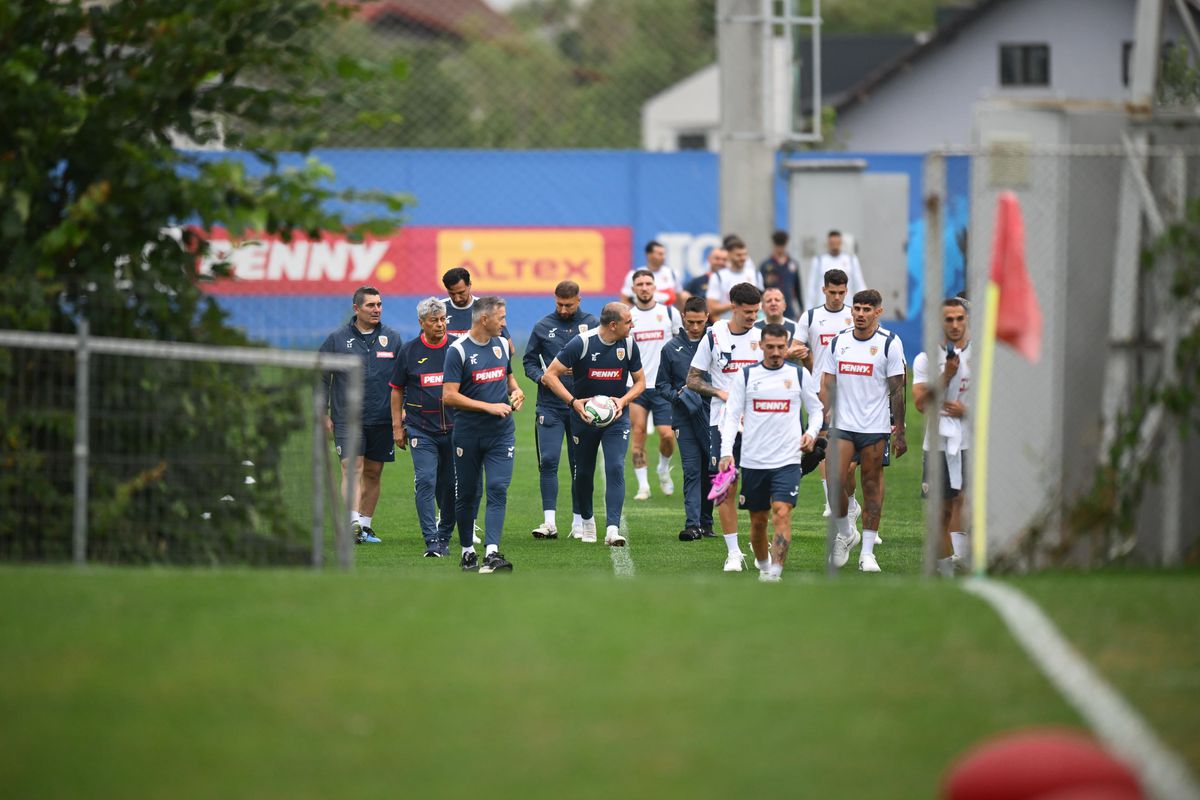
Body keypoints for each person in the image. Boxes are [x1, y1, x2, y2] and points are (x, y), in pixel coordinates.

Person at [719, 323, 823, 582]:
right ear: (761, 346)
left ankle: (775, 572)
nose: (776, 352)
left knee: (782, 511)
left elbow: (817, 409)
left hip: (787, 460)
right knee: (758, 522)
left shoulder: (799, 376)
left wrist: (810, 434)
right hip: (754, 460)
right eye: (771, 347)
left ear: (786, 346)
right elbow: (731, 417)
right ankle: (764, 564)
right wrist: (725, 452)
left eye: (781, 347)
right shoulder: (745, 376)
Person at [541, 303, 646, 547]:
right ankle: (587, 522)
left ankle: (612, 529)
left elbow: (640, 381)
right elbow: (549, 375)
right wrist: (573, 402)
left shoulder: (629, 345)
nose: (632, 325)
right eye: (628, 322)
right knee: (584, 472)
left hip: (616, 420)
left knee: (616, 467)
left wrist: (623, 400)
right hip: (584, 420)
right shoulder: (582, 343)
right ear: (613, 325)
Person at [819, 289, 907, 574]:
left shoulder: (889, 344)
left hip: (875, 427)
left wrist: (900, 431)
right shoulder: (839, 341)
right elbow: (828, 381)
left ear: (878, 312)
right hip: (842, 425)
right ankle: (846, 533)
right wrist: (824, 416)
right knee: (835, 480)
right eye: (856, 308)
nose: (860, 314)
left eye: (867, 309)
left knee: (871, 486)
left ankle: (867, 553)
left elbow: (897, 389)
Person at [442, 296, 525, 573]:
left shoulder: (502, 344)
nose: (505, 323)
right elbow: (449, 396)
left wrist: (516, 390)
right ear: (484, 320)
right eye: (501, 318)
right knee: (468, 493)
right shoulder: (458, 351)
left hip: (501, 434)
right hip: (468, 435)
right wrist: (488, 407)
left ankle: (492, 552)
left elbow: (508, 376)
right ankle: (467, 551)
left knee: (497, 488)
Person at [686, 282, 765, 572]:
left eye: (756, 311)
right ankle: (733, 553)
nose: (752, 317)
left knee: (759, 492)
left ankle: (760, 547)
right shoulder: (714, 336)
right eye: (747, 312)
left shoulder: (763, 337)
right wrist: (720, 393)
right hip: (722, 424)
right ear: (733, 306)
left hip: (759, 424)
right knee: (726, 487)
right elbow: (692, 379)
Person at [318, 286, 403, 545]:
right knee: (351, 468)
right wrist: (323, 413)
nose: (377, 309)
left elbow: (402, 379)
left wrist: (403, 410)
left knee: (374, 473)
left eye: (379, 304)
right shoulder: (337, 340)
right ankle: (351, 523)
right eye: (370, 305)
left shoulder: (392, 338)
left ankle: (365, 526)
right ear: (356, 309)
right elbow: (321, 376)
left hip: (382, 417)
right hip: (348, 417)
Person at [522, 280, 600, 540]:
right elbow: (528, 361)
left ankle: (579, 522)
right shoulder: (543, 327)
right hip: (550, 406)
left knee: (579, 464)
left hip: (582, 405)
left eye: (568, 305)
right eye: (559, 304)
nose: (563, 310)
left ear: (579, 300)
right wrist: (542, 377)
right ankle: (549, 522)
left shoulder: (593, 324)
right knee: (548, 461)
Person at [389, 297, 456, 557]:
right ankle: (431, 540)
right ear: (421, 323)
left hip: (454, 428)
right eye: (434, 321)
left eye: (443, 320)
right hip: (420, 429)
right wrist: (397, 427)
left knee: (450, 486)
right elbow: (396, 391)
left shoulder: (457, 348)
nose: (440, 325)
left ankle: (445, 535)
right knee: (426, 481)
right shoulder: (409, 351)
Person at [912, 297, 972, 575]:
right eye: (949, 319)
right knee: (941, 511)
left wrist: (967, 411)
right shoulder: (925, 359)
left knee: (967, 502)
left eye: (960, 319)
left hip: (972, 441)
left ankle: (962, 559)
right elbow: (922, 404)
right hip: (937, 443)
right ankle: (946, 570)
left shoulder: (979, 356)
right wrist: (946, 376)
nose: (955, 325)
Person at [795, 268, 857, 518]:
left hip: (852, 392)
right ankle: (831, 501)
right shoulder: (810, 317)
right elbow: (796, 347)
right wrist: (798, 353)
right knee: (824, 447)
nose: (837, 298)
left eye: (841, 293)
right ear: (824, 290)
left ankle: (851, 504)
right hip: (820, 391)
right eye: (832, 292)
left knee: (851, 466)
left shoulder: (856, 315)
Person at [657, 296, 716, 541]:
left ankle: (707, 523)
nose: (694, 327)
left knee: (711, 469)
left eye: (699, 322)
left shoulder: (717, 343)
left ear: (707, 318)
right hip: (684, 417)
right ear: (683, 317)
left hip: (713, 416)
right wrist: (679, 396)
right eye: (690, 322)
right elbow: (661, 384)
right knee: (692, 469)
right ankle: (692, 525)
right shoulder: (670, 348)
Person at [628, 269, 683, 500]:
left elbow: (680, 346)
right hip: (637, 386)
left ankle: (662, 468)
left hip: (663, 386)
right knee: (638, 433)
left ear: (655, 287)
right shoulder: (628, 316)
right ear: (633, 289)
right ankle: (643, 486)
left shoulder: (670, 313)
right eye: (639, 284)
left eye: (648, 283)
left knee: (667, 436)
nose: (644, 287)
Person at [441, 266, 513, 350]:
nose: (457, 298)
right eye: (452, 294)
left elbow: (509, 347)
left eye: (461, 293)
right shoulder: (439, 309)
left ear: (469, 285)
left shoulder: (485, 308)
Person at [805, 230, 866, 314]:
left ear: (841, 243)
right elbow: (811, 287)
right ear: (828, 243)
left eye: (837, 242)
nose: (835, 245)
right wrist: (808, 310)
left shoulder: (851, 260)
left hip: (846, 308)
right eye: (832, 243)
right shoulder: (819, 261)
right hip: (823, 309)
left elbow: (860, 285)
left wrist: (864, 306)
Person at [707, 235, 763, 321]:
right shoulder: (718, 277)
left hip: (753, 325)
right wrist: (739, 303)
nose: (742, 258)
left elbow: (761, 304)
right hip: (728, 325)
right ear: (728, 255)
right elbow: (712, 309)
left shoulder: (755, 275)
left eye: (744, 255)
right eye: (738, 255)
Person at [755, 287, 809, 364]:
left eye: (777, 300)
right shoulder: (753, 327)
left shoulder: (796, 328)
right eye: (769, 301)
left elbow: (807, 358)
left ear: (784, 306)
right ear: (762, 307)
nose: (773, 303)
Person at [620, 240, 681, 308]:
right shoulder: (633, 274)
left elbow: (679, 298)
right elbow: (624, 300)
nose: (663, 257)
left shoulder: (673, 273)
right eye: (660, 254)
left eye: (664, 254)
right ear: (649, 255)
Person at [759, 230, 804, 319]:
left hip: (788, 309)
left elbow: (798, 288)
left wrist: (801, 308)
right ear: (774, 245)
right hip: (770, 310)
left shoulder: (792, 265)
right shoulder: (766, 265)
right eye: (778, 245)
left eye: (782, 245)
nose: (780, 249)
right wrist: (766, 282)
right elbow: (759, 288)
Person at [680, 246, 727, 317]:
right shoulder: (698, 281)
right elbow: (683, 294)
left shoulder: (733, 280)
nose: (720, 262)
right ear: (709, 259)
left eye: (724, 260)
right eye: (717, 259)